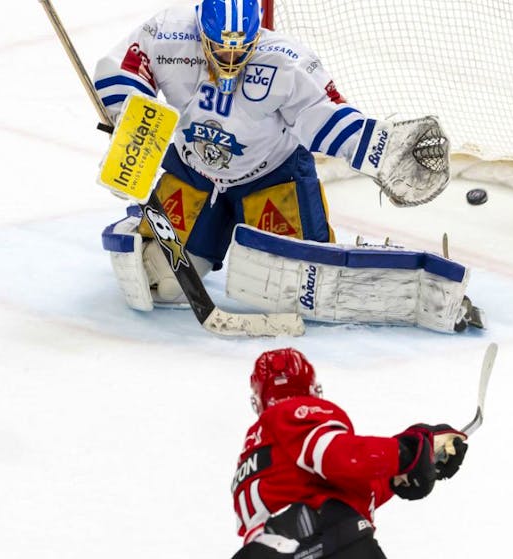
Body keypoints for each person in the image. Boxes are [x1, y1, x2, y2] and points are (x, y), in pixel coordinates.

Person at [94, 0, 451, 312]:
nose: (230, 59)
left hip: (271, 177)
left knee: (297, 290)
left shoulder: (287, 62)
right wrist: (130, 132)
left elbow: (323, 114)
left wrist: (380, 150)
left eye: (241, 48)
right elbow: (122, 68)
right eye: (219, 48)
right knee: (164, 285)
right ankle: (138, 222)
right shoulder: (167, 34)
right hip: (195, 172)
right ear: (201, 32)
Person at [231, 348, 468, 558]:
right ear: (311, 388)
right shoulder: (293, 411)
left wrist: (402, 471)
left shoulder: (260, 454)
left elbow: (347, 483)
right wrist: (403, 454)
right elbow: (333, 455)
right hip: (319, 540)